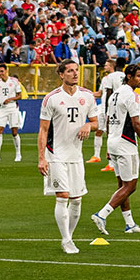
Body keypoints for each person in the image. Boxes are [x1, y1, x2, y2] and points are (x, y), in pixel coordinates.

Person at [36, 60, 96, 254]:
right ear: (61, 74)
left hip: (76, 155)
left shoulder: (87, 96)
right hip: (55, 154)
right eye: (70, 71)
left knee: (77, 199)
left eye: (76, 70)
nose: (75, 73)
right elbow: (43, 130)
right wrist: (41, 158)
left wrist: (88, 125)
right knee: (63, 196)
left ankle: (69, 238)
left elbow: (96, 122)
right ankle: (66, 239)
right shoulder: (51, 98)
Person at [92, 62, 140, 235]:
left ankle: (130, 224)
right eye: (138, 76)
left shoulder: (114, 94)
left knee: (121, 185)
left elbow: (109, 120)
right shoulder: (130, 95)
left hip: (113, 142)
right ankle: (102, 214)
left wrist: (109, 144)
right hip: (126, 144)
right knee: (131, 186)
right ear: (129, 77)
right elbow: (136, 123)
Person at [0, 64, 24, 163]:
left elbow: (20, 96)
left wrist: (10, 99)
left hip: (13, 107)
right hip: (3, 108)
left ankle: (18, 154)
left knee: (14, 132)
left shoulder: (14, 81)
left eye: (1, 71)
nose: (0, 73)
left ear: (6, 71)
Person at [92, 55, 121, 165]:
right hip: (103, 108)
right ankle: (96, 155)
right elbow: (100, 93)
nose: (104, 67)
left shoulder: (114, 78)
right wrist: (86, 93)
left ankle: (111, 163)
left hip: (110, 109)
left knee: (111, 134)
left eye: (107, 65)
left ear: (112, 66)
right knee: (99, 131)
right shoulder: (105, 79)